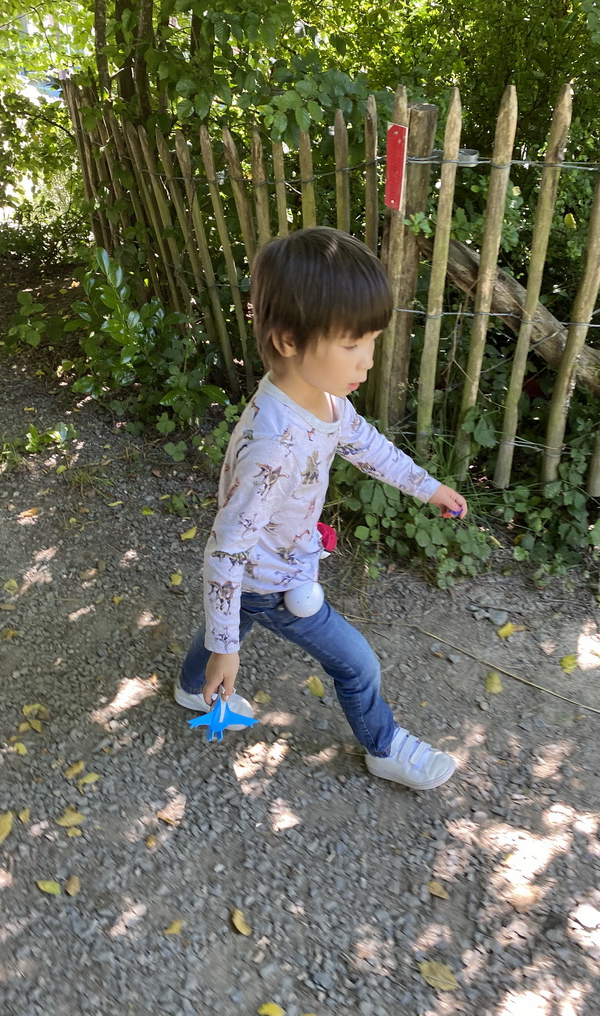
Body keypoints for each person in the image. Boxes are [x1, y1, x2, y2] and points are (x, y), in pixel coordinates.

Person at [177, 227, 468, 790]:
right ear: (288, 340)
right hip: (274, 579)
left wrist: (427, 487)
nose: (368, 359)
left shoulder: (327, 401)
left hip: (277, 562)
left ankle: (194, 684)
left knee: (237, 617)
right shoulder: (273, 446)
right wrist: (224, 651)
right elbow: (225, 553)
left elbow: (368, 447)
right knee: (357, 664)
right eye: (352, 343)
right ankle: (385, 746)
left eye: (372, 340)